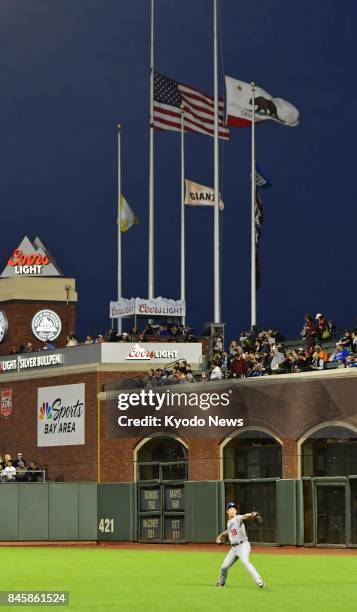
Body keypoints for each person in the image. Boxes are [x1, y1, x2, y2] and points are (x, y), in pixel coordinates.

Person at [215, 502, 265, 588]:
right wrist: (220, 535)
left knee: (245, 562)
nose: (232, 511)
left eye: (234, 509)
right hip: (234, 549)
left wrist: (252, 514)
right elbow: (229, 531)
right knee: (224, 567)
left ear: (236, 511)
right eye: (230, 509)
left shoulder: (237, 518)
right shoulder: (229, 522)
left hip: (243, 546)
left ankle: (259, 581)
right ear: (227, 511)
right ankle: (221, 583)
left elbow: (245, 516)